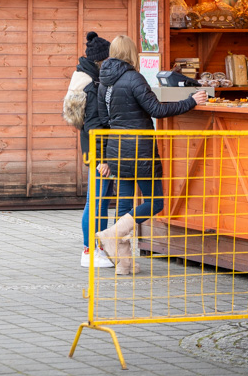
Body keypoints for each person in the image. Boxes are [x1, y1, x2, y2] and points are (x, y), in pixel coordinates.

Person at [95, 35, 208, 275]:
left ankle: (123, 265)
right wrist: (190, 101)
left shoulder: (104, 81)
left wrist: (105, 156)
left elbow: (104, 120)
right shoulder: (133, 77)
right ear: (131, 53)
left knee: (125, 205)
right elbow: (156, 109)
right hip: (140, 149)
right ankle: (112, 234)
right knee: (155, 202)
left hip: (117, 149)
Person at [64, 32, 113, 268]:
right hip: (97, 151)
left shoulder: (83, 76)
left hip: (92, 149)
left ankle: (96, 248)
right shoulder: (92, 85)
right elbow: (94, 125)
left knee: (99, 200)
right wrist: (103, 158)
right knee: (95, 201)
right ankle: (89, 250)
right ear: (101, 61)